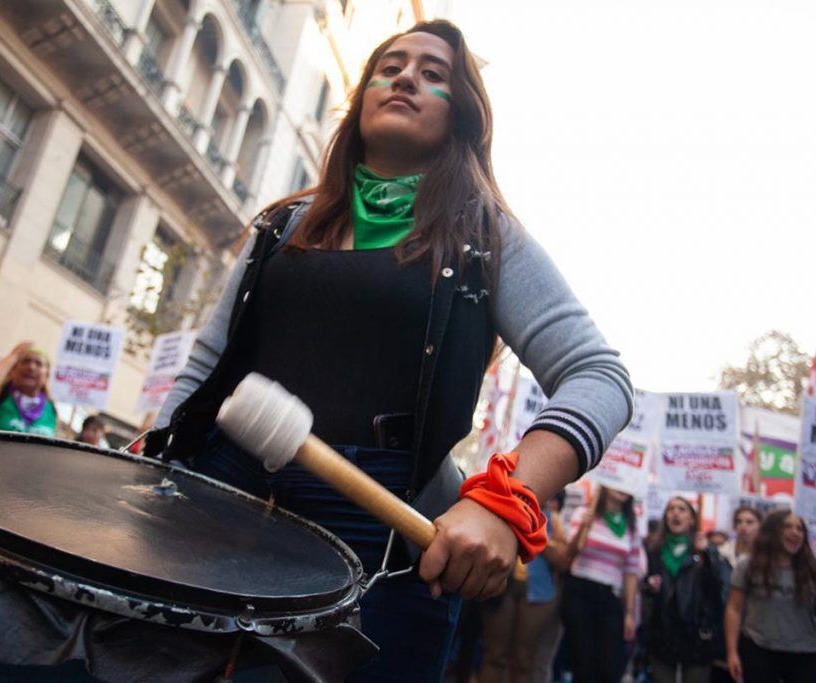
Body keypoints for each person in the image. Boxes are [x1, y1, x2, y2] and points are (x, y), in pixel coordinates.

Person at [148, 19, 632, 681]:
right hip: (214, 506)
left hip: (380, 550)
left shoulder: (488, 236)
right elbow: (205, 369)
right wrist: (152, 465)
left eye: (434, 75)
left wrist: (505, 499)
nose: (406, 76)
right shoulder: (282, 225)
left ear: (462, 117)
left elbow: (598, 374)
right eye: (390, 65)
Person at [724, 509, 816, 683]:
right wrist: (732, 652)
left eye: (800, 529)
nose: (795, 532)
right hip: (759, 649)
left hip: (803, 654)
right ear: (772, 532)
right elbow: (734, 609)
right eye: (788, 527)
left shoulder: (814, 571)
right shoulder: (748, 566)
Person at [477, 491, 568, 683]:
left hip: (538, 593)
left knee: (524, 659)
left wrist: (532, 532)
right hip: (501, 585)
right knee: (494, 654)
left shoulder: (553, 518)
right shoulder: (501, 503)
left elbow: (563, 560)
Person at [558, 487, 644, 683]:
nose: (623, 488)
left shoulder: (631, 526)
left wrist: (630, 612)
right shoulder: (584, 514)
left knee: (609, 666)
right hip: (579, 594)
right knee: (583, 664)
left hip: (610, 597)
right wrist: (583, 528)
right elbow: (568, 554)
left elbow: (631, 572)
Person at [642, 496, 727, 683]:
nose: (676, 513)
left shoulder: (704, 550)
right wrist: (649, 586)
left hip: (696, 635)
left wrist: (708, 554)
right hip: (662, 633)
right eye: (671, 509)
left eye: (682, 509)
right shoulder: (654, 550)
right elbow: (642, 585)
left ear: (691, 519)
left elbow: (718, 587)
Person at [0, 342, 58, 436]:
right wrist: (14, 356)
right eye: (25, 361)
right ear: (13, 368)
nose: (31, 367)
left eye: (39, 364)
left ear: (47, 374)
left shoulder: (51, 409)